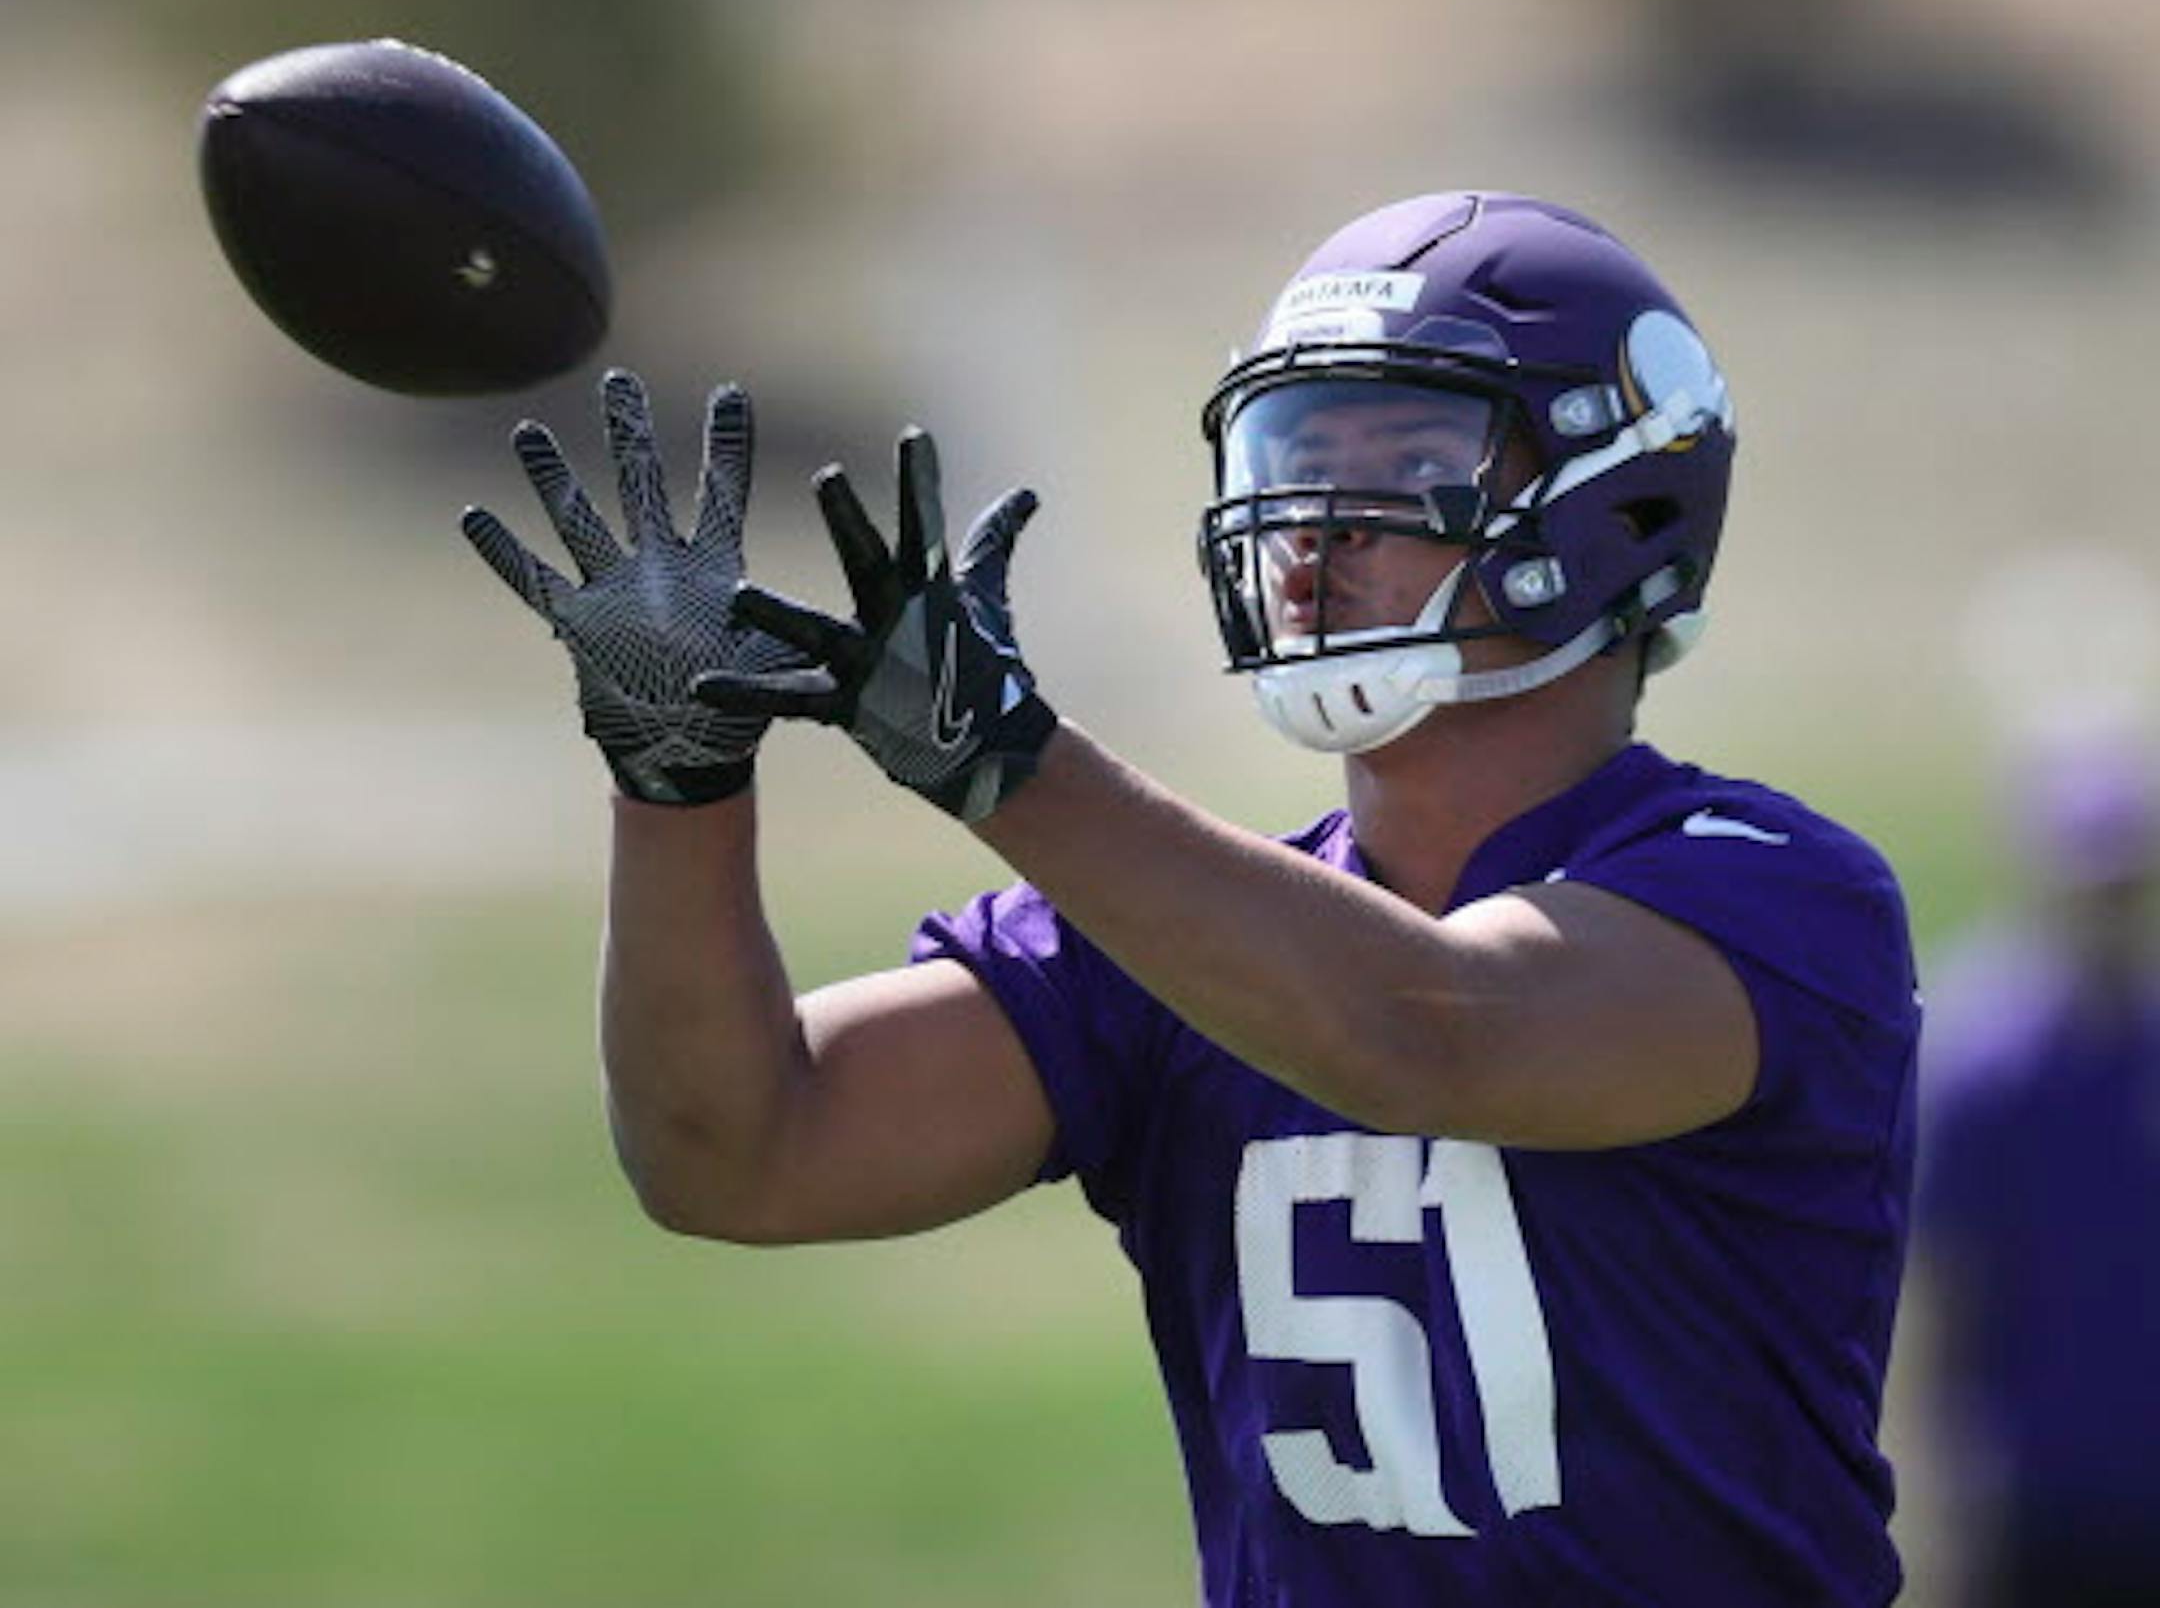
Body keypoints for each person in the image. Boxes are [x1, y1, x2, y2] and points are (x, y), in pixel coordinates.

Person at [462, 190, 1920, 1605]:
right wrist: (676, 785)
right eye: (1293, 457)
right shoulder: (1184, 942)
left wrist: (1008, 766)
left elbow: (1434, 1034)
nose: (1309, 526)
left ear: (1619, 503)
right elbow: (734, 1150)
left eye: (1404, 460)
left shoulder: (1776, 893)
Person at [1919, 733, 2160, 1608]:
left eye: (2125, 887)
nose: (2110, 909)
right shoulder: (1985, 1056)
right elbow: (1946, 1284)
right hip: (2031, 1481)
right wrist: (1941, 1486)